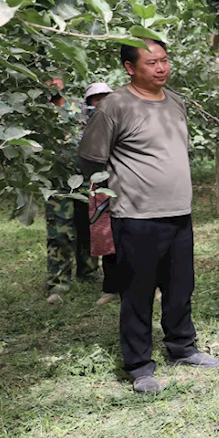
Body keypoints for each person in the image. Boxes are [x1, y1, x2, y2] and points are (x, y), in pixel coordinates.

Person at [78, 39, 219, 394]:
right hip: (136, 216)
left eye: (165, 61)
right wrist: (116, 190)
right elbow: (91, 158)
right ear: (129, 67)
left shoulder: (175, 101)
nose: (161, 68)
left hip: (179, 211)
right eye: (151, 62)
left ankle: (182, 347)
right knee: (137, 292)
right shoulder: (115, 106)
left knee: (180, 286)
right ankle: (140, 364)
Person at [44, 78, 96, 306]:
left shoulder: (79, 106)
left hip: (85, 179)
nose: (51, 83)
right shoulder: (38, 113)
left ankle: (90, 272)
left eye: (54, 78)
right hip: (56, 183)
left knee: (88, 228)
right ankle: (58, 283)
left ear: (62, 81)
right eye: (46, 80)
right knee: (60, 233)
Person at [83, 81, 121, 306]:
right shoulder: (84, 129)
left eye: (104, 97)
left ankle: (150, 285)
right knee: (105, 237)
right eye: (95, 99)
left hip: (126, 185)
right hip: (100, 190)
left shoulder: (123, 122)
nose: (100, 103)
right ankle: (111, 288)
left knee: (136, 235)